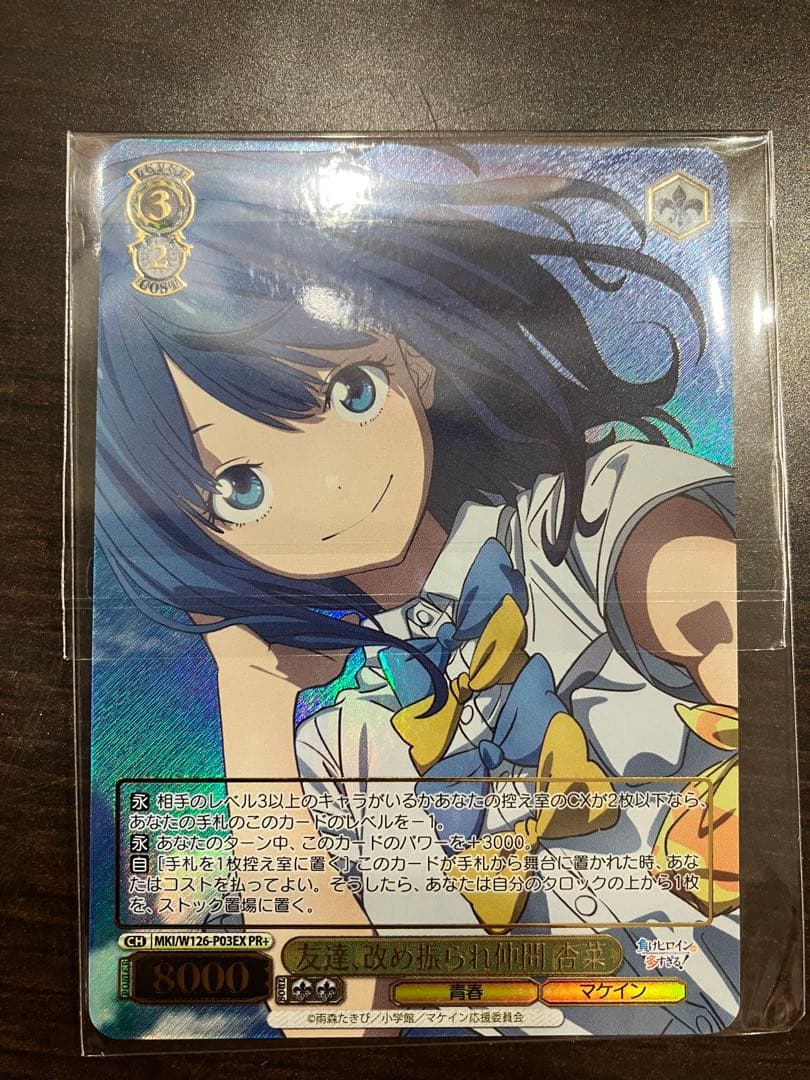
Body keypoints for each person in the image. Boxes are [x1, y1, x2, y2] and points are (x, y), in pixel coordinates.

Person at [96, 143, 738, 1035]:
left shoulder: (595, 517)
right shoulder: (338, 743)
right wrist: (248, 691)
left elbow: (715, 618)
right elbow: (336, 1013)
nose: (330, 483)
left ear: (413, 364)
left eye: (350, 392)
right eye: (240, 483)